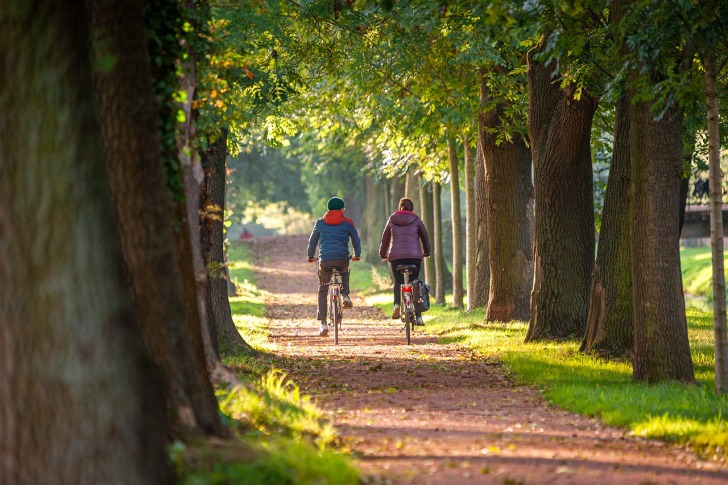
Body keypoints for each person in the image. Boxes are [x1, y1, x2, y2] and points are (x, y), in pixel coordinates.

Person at [307, 196, 361, 337]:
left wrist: (310, 256)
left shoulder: (320, 223)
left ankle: (323, 324)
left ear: (328, 209)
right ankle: (344, 295)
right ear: (342, 209)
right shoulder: (347, 222)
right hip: (342, 258)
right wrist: (357, 254)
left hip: (325, 260)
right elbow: (355, 239)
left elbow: (312, 241)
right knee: (343, 272)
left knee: (323, 289)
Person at [379, 197, 431, 326]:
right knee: (415, 283)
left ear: (400, 208)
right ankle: (418, 316)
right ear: (411, 208)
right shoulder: (416, 220)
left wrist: (383, 254)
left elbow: (385, 239)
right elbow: (425, 238)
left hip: (396, 257)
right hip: (414, 257)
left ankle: (397, 304)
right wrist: (426, 252)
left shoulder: (392, 219)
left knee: (398, 281)